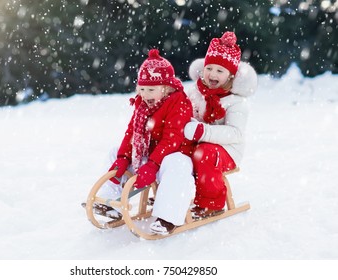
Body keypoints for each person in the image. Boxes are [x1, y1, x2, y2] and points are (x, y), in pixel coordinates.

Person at [96, 49, 195, 235]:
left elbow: (172, 139)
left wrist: (153, 164)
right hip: (150, 157)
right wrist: (123, 157)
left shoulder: (179, 102)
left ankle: (168, 218)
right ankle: (110, 203)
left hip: (172, 155)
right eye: (142, 88)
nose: (145, 94)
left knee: (177, 164)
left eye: (151, 89)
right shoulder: (142, 104)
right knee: (114, 152)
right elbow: (132, 132)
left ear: (166, 87)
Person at [183, 31, 258, 219]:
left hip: (228, 150)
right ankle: (173, 193)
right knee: (174, 150)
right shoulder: (195, 92)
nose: (212, 74)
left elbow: (235, 134)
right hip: (198, 142)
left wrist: (202, 131)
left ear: (231, 76)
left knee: (205, 154)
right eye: (209, 68)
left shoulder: (236, 102)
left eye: (220, 71)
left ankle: (211, 204)